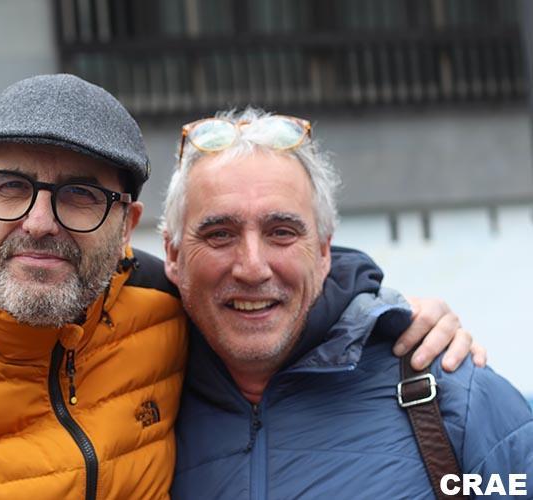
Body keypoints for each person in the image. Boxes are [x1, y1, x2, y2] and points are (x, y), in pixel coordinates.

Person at [0, 75, 479, 499]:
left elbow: (263, 279)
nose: (39, 222)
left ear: (128, 226)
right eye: (11, 187)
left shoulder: (159, 308)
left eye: (80, 196)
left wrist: (389, 313)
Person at [163, 108, 533, 499]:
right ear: (172, 255)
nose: (253, 268)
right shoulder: (140, 396)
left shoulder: (453, 395)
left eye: (282, 232)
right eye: (220, 234)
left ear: (324, 252)